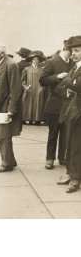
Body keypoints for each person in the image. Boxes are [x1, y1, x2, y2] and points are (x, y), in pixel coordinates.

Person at [0, 43, 22, 173]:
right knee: (1, 135)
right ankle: (10, 161)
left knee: (2, 136)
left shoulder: (11, 65)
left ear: (2, 53)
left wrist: (11, 110)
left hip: (4, 107)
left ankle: (6, 164)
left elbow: (16, 89)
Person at [39, 42, 73, 169]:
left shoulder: (73, 63)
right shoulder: (52, 62)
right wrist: (57, 76)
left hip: (69, 104)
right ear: (65, 49)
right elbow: (42, 80)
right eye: (72, 51)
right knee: (53, 133)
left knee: (66, 133)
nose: (74, 54)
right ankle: (50, 159)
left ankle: (62, 157)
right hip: (54, 104)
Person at [57, 36, 81, 193]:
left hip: (79, 112)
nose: (74, 54)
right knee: (71, 143)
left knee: (76, 145)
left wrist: (69, 84)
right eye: (73, 50)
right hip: (72, 111)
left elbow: (76, 86)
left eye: (77, 50)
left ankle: (75, 178)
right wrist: (68, 85)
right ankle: (71, 173)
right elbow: (62, 86)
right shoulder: (75, 68)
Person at [21, 50, 46, 124]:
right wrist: (25, 87)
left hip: (39, 88)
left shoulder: (42, 70)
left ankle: (37, 119)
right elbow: (22, 80)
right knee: (28, 103)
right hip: (30, 88)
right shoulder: (26, 69)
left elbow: (44, 80)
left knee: (38, 103)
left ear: (39, 61)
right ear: (31, 60)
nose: (35, 61)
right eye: (34, 59)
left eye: (37, 60)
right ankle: (27, 119)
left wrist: (42, 88)